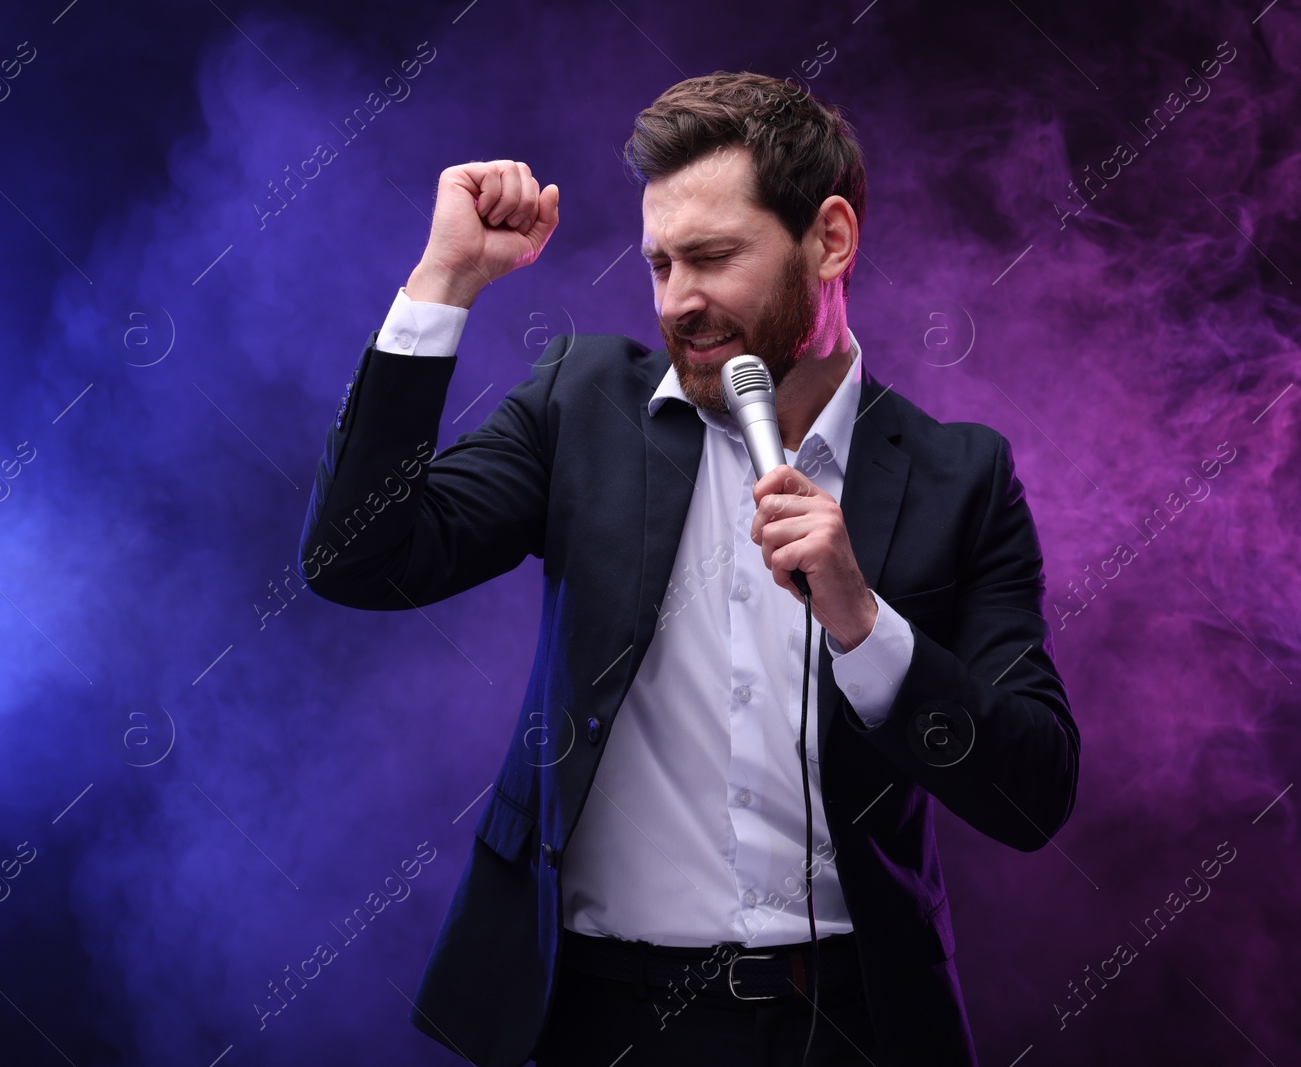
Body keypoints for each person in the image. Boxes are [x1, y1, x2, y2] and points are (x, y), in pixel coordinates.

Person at [299, 70, 1078, 1067]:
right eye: (659, 264)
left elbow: (1030, 794)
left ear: (829, 239)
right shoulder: (580, 403)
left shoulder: (958, 474)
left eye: (711, 258)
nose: (678, 302)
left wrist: (862, 623)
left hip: (848, 1022)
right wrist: (443, 282)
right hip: (598, 1017)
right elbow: (357, 557)